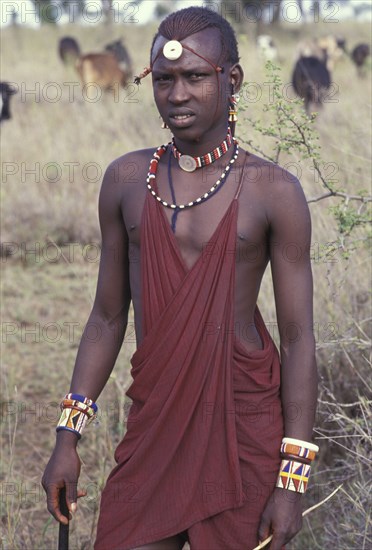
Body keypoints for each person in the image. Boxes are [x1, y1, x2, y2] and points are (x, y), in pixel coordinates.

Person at [42, 7, 318, 550]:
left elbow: (300, 338)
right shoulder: (125, 179)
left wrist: (292, 482)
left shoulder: (273, 191)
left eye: (195, 77)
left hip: (243, 432)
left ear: (230, 80)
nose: (177, 94)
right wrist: (66, 437)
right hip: (156, 425)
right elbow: (106, 316)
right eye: (164, 79)